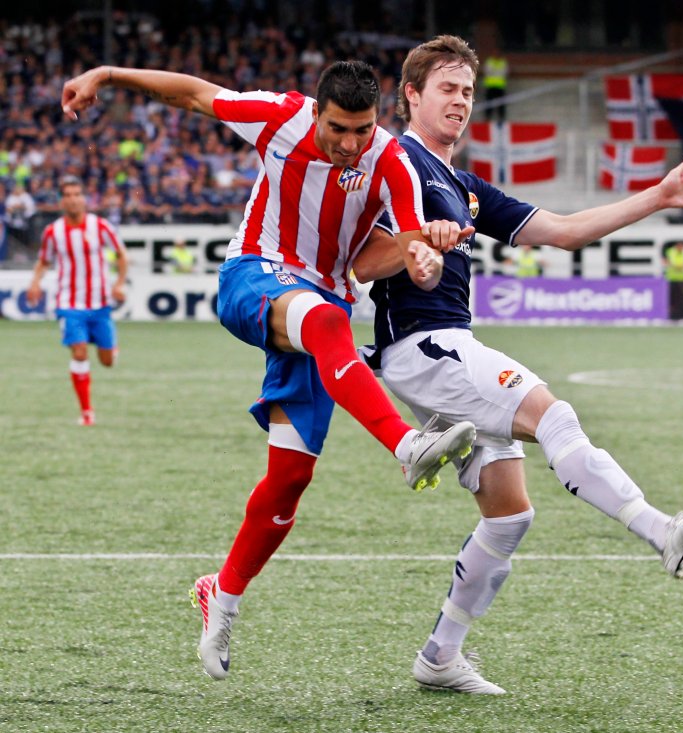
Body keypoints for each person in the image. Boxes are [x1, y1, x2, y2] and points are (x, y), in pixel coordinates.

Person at [60, 59, 478, 681]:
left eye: (361, 130)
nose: (349, 144)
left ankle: (220, 595)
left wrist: (425, 261)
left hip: (321, 307)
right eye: (338, 128)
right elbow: (196, 96)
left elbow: (411, 250)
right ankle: (408, 445)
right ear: (316, 112)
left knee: (289, 480)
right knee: (333, 324)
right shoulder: (278, 116)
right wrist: (110, 74)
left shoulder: (389, 159)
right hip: (254, 275)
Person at [357, 35, 683, 695]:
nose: (460, 101)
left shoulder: (462, 186)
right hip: (426, 342)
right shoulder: (395, 159)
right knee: (554, 413)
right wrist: (415, 241)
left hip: (438, 352)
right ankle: (661, 530)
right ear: (410, 95)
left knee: (508, 514)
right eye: (446, 87)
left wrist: (658, 197)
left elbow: (561, 229)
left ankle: (440, 655)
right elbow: (361, 256)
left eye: (468, 91)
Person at [26, 176, 128, 426]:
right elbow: (44, 260)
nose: (72, 199)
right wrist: (35, 282)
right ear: (62, 201)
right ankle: (86, 412)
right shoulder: (53, 232)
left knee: (106, 362)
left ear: (84, 198)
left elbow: (121, 255)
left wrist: (119, 283)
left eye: (76, 194)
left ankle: (111, 350)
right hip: (69, 303)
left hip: (100, 302)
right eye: (67, 195)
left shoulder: (101, 226)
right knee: (79, 352)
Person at [482, 47, 508, 123]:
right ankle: (487, 117)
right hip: (490, 86)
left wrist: (494, 72)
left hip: (500, 86)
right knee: (489, 103)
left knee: (501, 104)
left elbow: (504, 73)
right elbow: (487, 72)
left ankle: (501, 117)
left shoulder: (503, 62)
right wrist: (497, 73)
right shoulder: (489, 62)